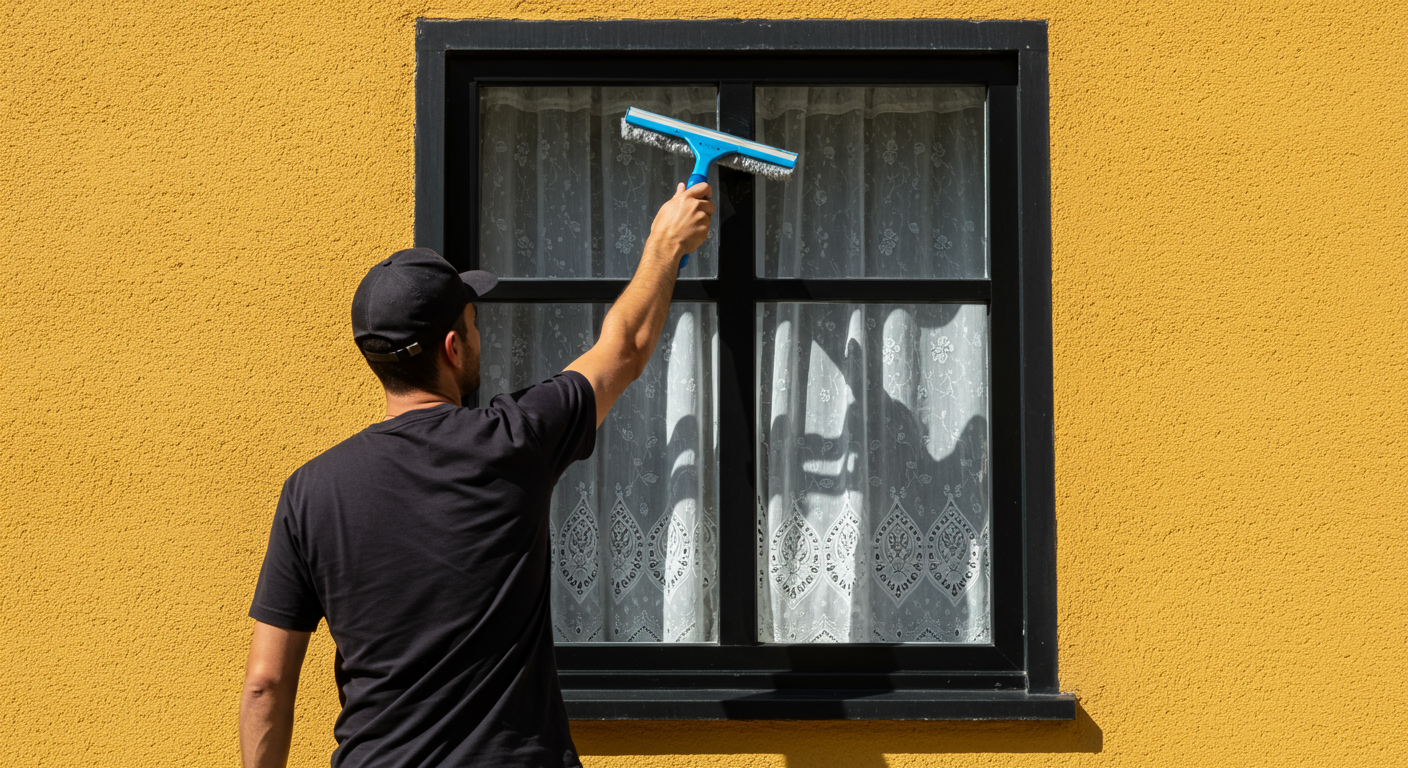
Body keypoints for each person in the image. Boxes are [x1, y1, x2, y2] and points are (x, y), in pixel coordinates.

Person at [239, 182, 715, 768]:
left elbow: (265, 683)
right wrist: (665, 243)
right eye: (472, 321)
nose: (478, 334)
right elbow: (626, 346)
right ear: (452, 347)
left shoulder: (310, 491)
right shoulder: (513, 441)